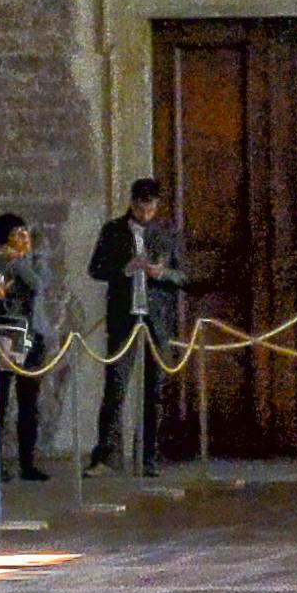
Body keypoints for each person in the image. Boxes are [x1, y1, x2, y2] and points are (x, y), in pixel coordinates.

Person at [88, 180, 177, 475]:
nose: (145, 215)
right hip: (124, 316)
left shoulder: (167, 231)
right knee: (116, 386)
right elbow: (95, 269)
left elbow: (184, 275)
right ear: (132, 203)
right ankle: (107, 457)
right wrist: (125, 269)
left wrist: (162, 273)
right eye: (140, 209)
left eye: (150, 209)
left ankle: (149, 457)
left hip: (157, 319)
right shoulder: (113, 230)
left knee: (155, 389)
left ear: (157, 205)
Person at [0, 210, 53, 484]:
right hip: (4, 336)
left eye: (25, 232)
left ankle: (27, 462)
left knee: (29, 402)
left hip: (33, 336)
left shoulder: (37, 261)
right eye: (17, 234)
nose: (25, 238)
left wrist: (18, 263)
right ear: (5, 239)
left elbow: (38, 285)